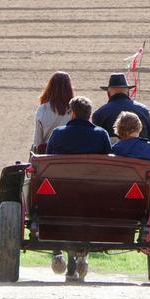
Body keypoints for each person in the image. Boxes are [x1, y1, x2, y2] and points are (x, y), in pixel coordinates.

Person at [45, 96, 110, 283]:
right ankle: (81, 258)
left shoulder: (58, 134)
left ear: (72, 113)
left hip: (60, 194)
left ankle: (62, 255)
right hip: (94, 195)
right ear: (89, 115)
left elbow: (49, 162)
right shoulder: (101, 135)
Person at [92, 73, 150, 143]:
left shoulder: (99, 114)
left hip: (112, 153)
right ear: (128, 92)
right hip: (141, 152)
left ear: (108, 94)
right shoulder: (144, 110)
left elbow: (96, 141)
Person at [46, 96, 112, 155]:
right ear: (89, 115)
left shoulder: (57, 133)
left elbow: (48, 155)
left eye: (70, 112)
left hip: (62, 169)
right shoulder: (101, 135)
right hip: (93, 169)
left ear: (73, 114)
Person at [32, 71, 73, 154]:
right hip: (70, 154)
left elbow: (38, 142)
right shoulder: (75, 109)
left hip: (48, 157)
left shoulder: (42, 109)